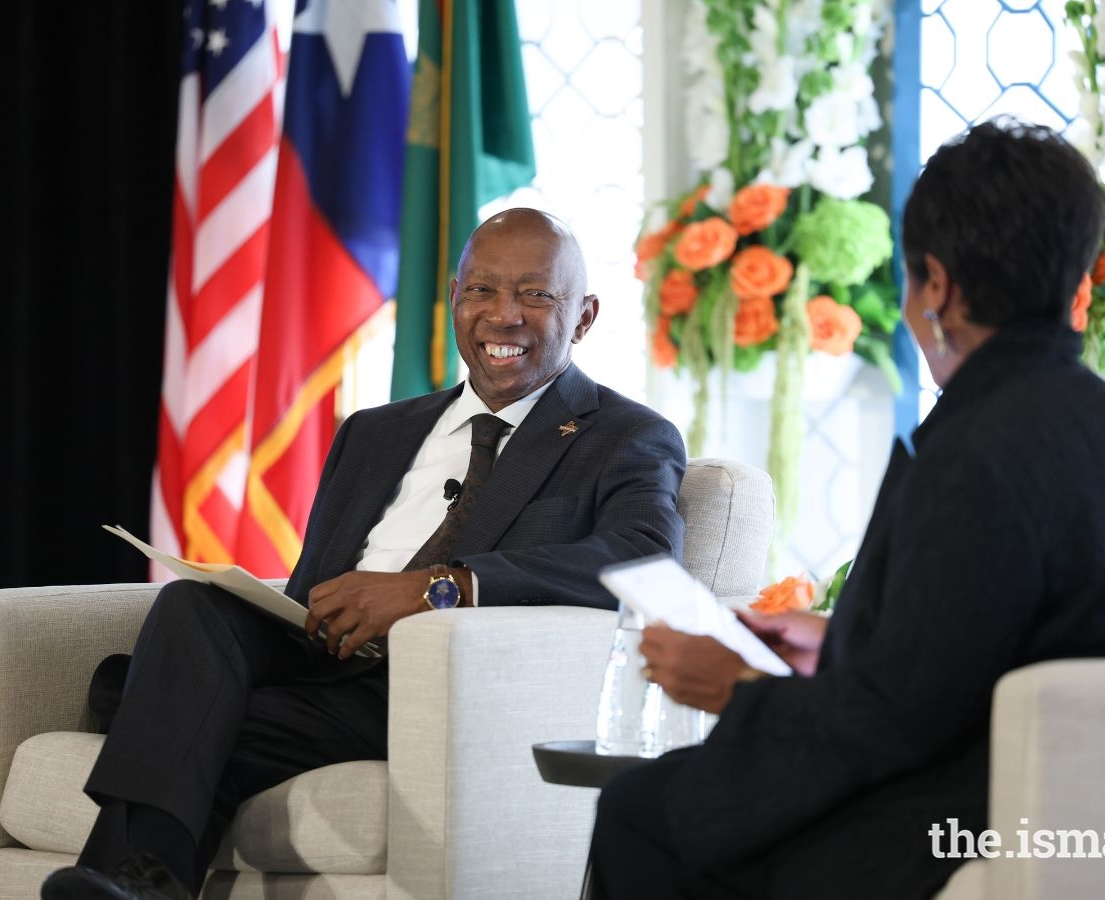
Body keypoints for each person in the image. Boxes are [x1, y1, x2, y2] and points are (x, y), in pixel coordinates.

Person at [588, 118, 1105, 899]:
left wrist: (736, 684)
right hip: (1092, 801)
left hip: (964, 813)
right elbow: (984, 644)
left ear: (938, 285)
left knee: (641, 810)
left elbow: (896, 721)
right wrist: (839, 639)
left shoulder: (976, 446)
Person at [42, 208, 687, 900]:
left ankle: (132, 841)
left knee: (182, 717)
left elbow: (643, 561)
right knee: (194, 602)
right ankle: (149, 837)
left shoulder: (623, 436)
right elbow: (311, 580)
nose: (504, 316)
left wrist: (438, 588)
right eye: (482, 291)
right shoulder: (374, 432)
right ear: (453, 298)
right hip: (313, 654)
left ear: (584, 316)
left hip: (421, 685)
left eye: (535, 294)